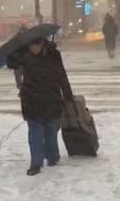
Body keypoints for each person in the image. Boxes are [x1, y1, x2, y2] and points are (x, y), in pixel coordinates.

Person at [7, 35, 73, 176]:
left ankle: (52, 156)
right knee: (35, 132)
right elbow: (11, 64)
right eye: (31, 46)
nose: (34, 49)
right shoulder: (24, 55)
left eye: (36, 46)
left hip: (51, 97)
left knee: (51, 129)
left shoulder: (53, 55)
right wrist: (16, 50)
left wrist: (67, 95)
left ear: (42, 44)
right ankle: (36, 163)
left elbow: (61, 74)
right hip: (32, 99)